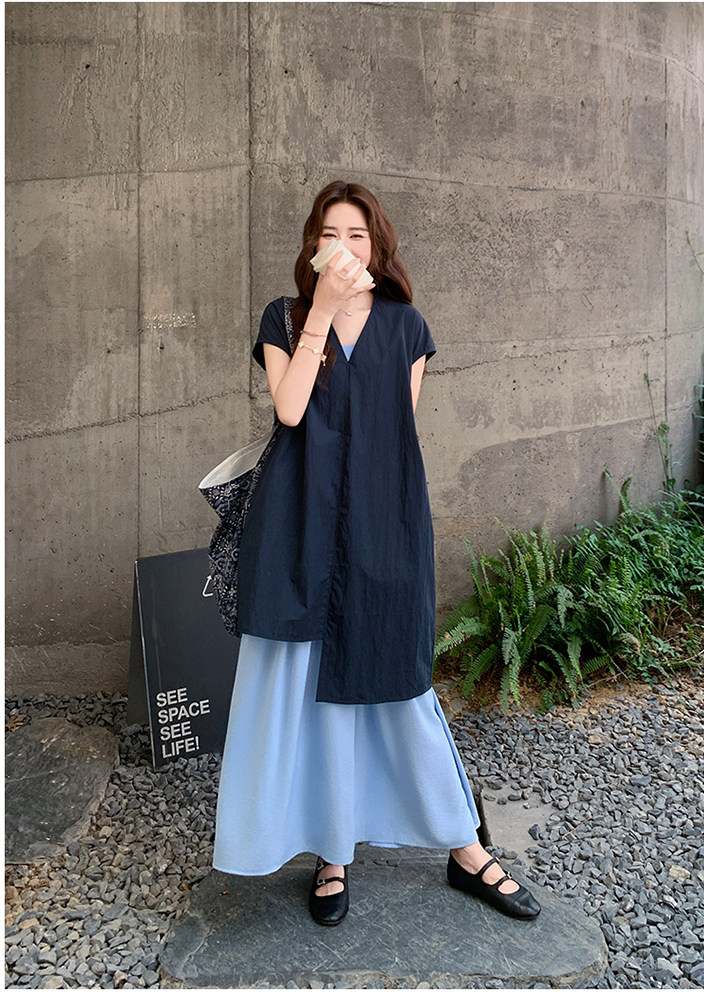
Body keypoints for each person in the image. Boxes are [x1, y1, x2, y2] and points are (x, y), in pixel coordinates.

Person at [212, 180, 541, 926]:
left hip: (382, 521)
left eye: (356, 234)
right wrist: (322, 312)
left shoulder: (405, 326)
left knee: (396, 679)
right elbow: (291, 409)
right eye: (329, 233)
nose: (343, 246)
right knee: (299, 683)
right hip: (297, 523)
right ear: (313, 247)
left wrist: (383, 528)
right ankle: (332, 852)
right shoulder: (284, 316)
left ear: (377, 246)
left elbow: (393, 435)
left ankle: (465, 847)